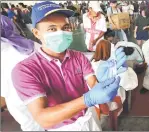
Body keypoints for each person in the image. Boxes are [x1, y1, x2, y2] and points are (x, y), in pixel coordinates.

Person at [11, 1, 127, 131]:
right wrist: (87, 100)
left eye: (65, 28)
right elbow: (43, 119)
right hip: (62, 128)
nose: (61, 33)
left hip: (89, 118)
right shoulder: (25, 70)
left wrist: (106, 81)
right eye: (52, 29)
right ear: (36, 33)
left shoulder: (79, 57)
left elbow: (93, 83)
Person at [1, 15, 44, 131]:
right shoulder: (30, 44)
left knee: (31, 125)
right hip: (44, 96)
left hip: (18, 102)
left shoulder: (3, 51)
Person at [91, 40, 138, 130]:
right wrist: (128, 70)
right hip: (114, 101)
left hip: (96, 103)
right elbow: (129, 85)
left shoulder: (91, 64)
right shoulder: (116, 67)